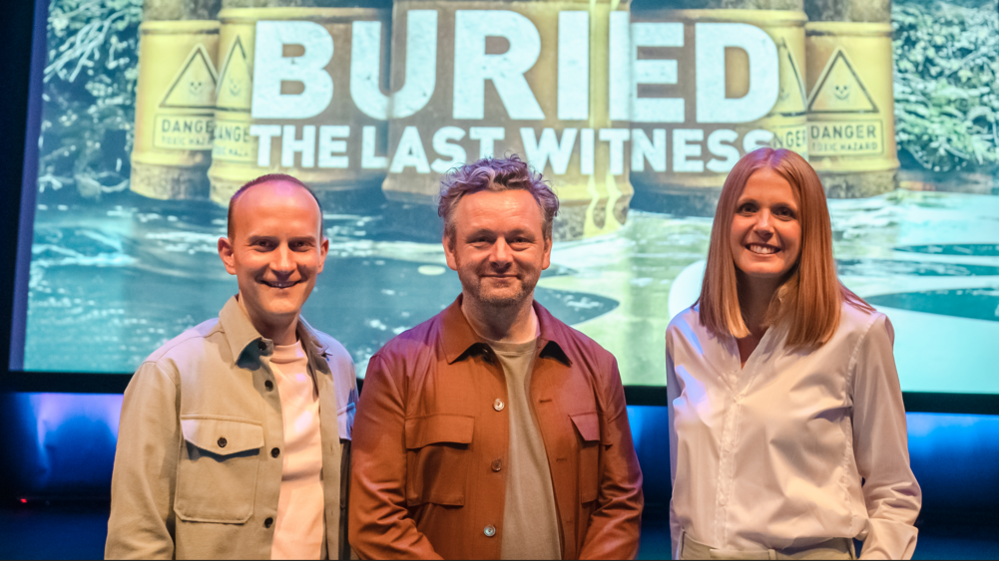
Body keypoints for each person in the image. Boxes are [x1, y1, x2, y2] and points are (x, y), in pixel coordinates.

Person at [349, 156, 644, 560]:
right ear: (451, 249)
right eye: (481, 239)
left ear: (546, 250)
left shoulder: (598, 366)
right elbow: (375, 521)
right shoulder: (396, 367)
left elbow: (620, 505)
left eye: (519, 239)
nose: (501, 256)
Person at [665, 148, 921, 560]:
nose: (763, 226)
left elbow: (893, 493)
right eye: (747, 208)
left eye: (784, 212)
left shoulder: (859, 334)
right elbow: (683, 487)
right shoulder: (684, 333)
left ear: (811, 228)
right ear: (724, 221)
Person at [106, 175, 358, 559]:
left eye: (301, 245)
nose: (284, 264)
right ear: (228, 254)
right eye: (264, 245)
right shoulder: (169, 373)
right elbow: (136, 541)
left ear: (321, 253)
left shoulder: (337, 364)